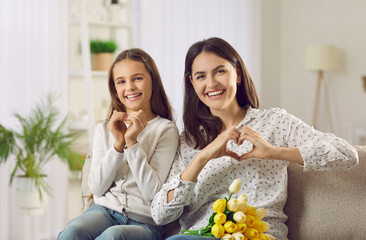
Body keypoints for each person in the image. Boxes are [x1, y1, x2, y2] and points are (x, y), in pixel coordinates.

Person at [151, 37, 359, 240]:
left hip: (257, 235)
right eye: (201, 76)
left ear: (238, 74)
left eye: (220, 71)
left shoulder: (275, 122)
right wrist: (202, 158)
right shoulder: (188, 140)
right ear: (192, 83)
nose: (211, 83)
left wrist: (274, 152)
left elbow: (346, 154)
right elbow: (160, 214)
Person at [58, 48, 179, 240]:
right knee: (72, 232)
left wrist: (131, 143)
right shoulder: (104, 129)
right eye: (121, 81)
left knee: (113, 236)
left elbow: (153, 193)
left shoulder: (165, 130)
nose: (129, 87)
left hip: (145, 222)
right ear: (115, 89)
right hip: (103, 212)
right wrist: (118, 144)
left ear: (153, 81)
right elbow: (96, 188)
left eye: (137, 78)